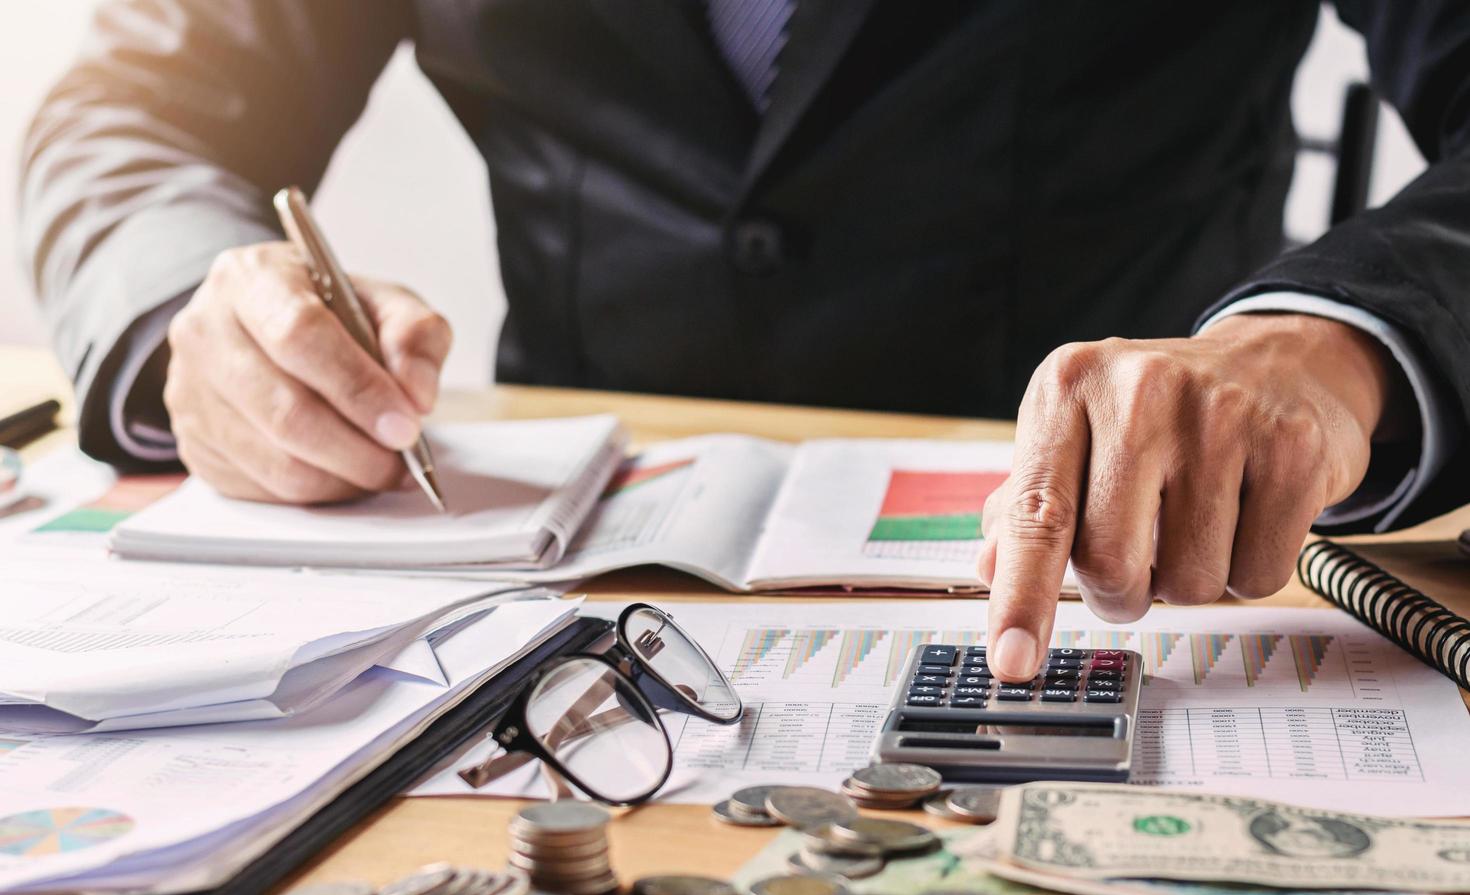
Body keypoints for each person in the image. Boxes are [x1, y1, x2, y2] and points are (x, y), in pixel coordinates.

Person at [18, 1, 1470, 684]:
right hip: (556, 603)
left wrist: (1333, 341)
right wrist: (188, 316)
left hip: (1139, 575)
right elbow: (139, 111)